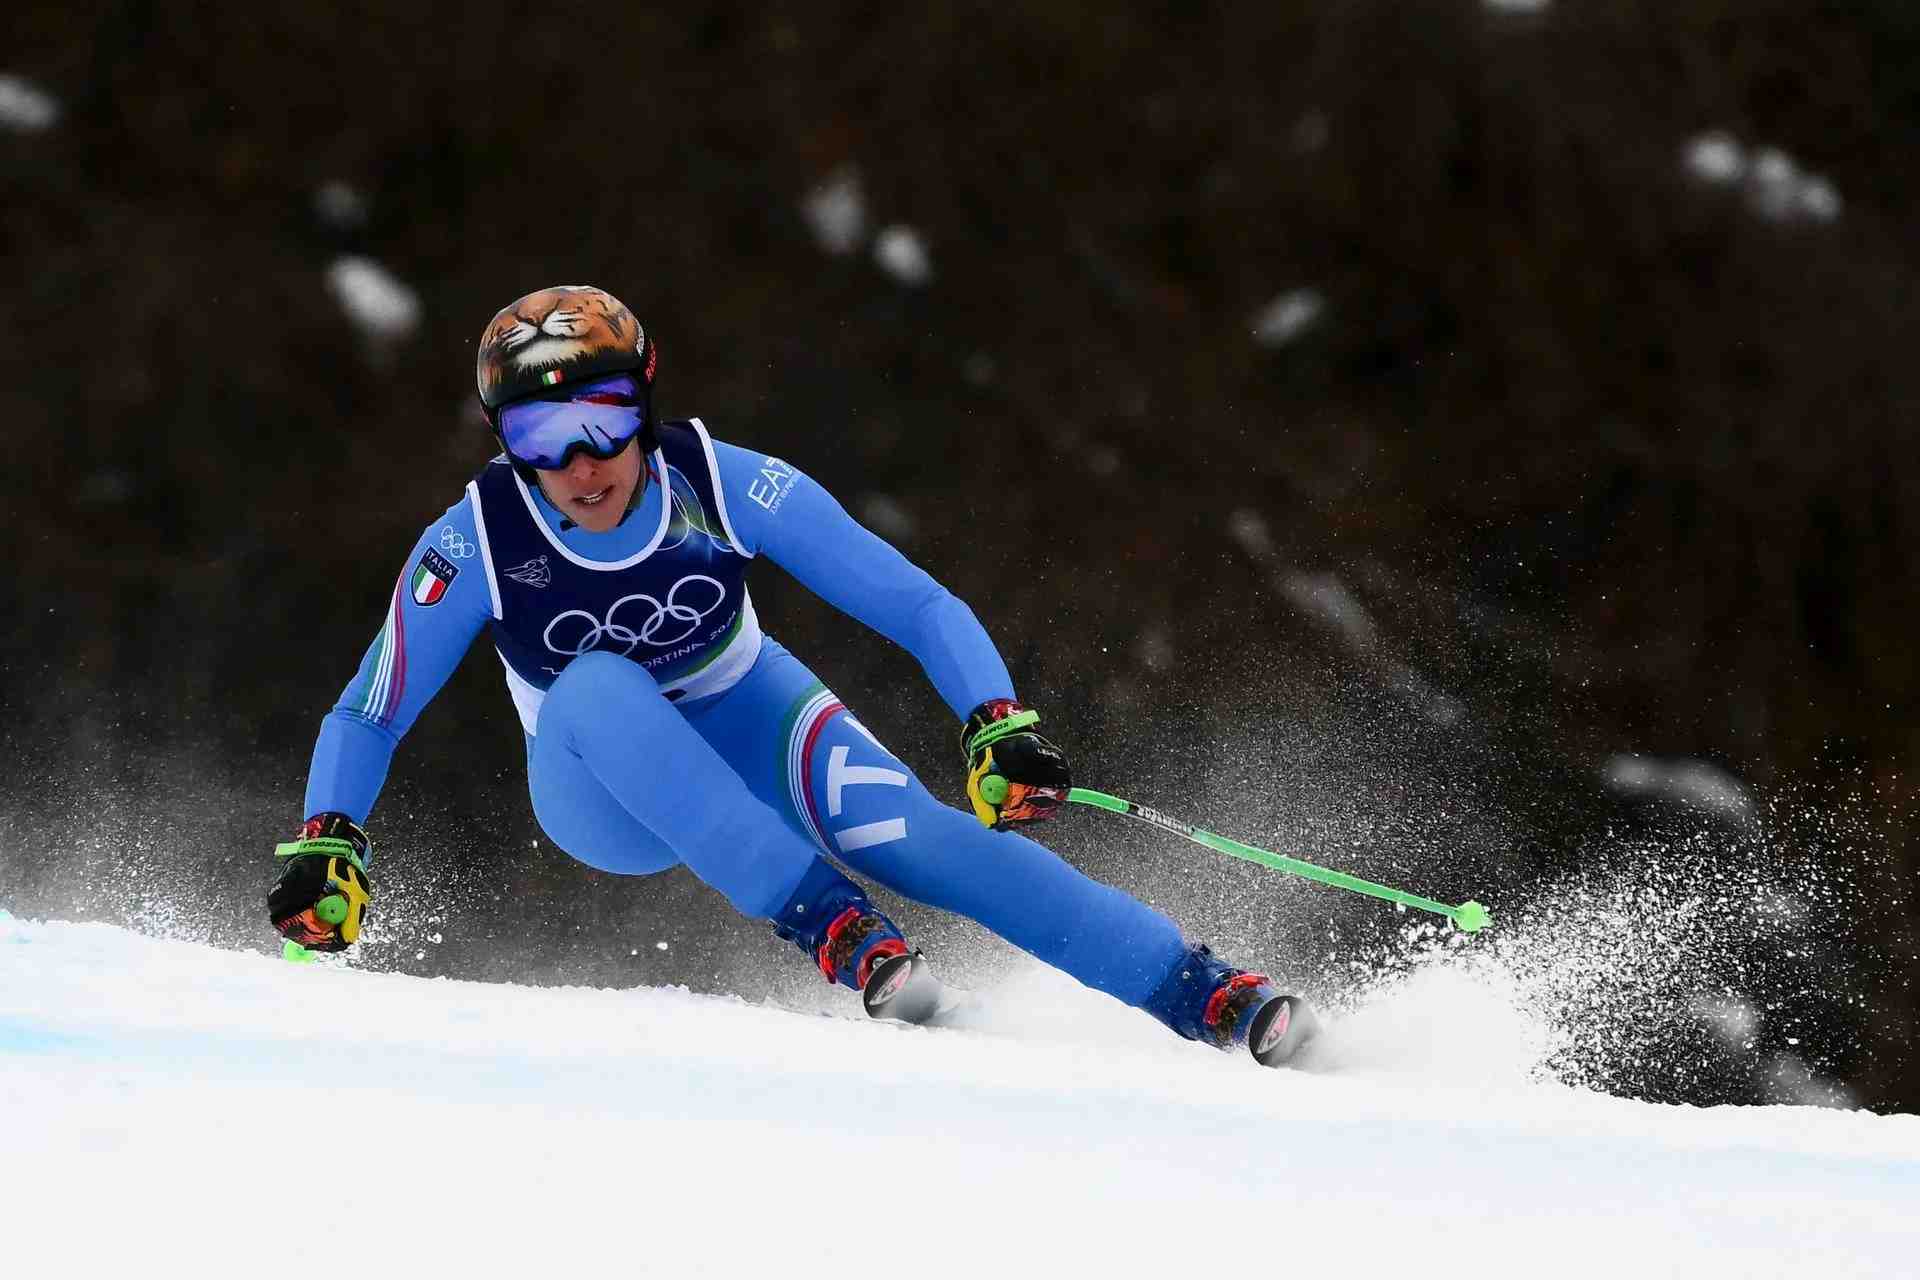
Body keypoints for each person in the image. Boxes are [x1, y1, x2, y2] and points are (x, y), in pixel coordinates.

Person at [268, 284, 1313, 1066]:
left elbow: (914, 601)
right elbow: (369, 709)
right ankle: (834, 925)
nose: (582, 463)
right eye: (542, 435)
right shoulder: (475, 541)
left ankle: (1199, 989)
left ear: (645, 403)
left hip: (747, 711)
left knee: (926, 837)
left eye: (606, 419)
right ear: (504, 440)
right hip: (604, 789)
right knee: (595, 683)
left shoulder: (725, 482)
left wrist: (995, 721)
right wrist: (330, 840)